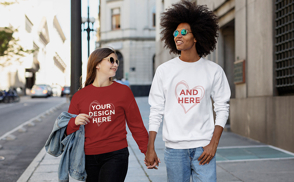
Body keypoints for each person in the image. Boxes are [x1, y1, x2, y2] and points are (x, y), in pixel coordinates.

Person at [144, 1, 231, 181]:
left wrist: (213, 144)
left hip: (203, 147)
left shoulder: (214, 71)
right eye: (175, 33)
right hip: (174, 149)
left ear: (196, 36)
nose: (178, 36)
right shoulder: (164, 70)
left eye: (184, 32)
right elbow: (156, 110)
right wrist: (150, 146)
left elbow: (222, 107)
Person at [67, 47, 149, 182]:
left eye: (117, 61)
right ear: (97, 64)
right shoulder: (79, 96)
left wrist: (147, 150)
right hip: (88, 157)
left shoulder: (123, 91)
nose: (116, 64)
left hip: (116, 155)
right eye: (111, 60)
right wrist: (74, 122)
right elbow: (66, 130)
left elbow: (136, 125)